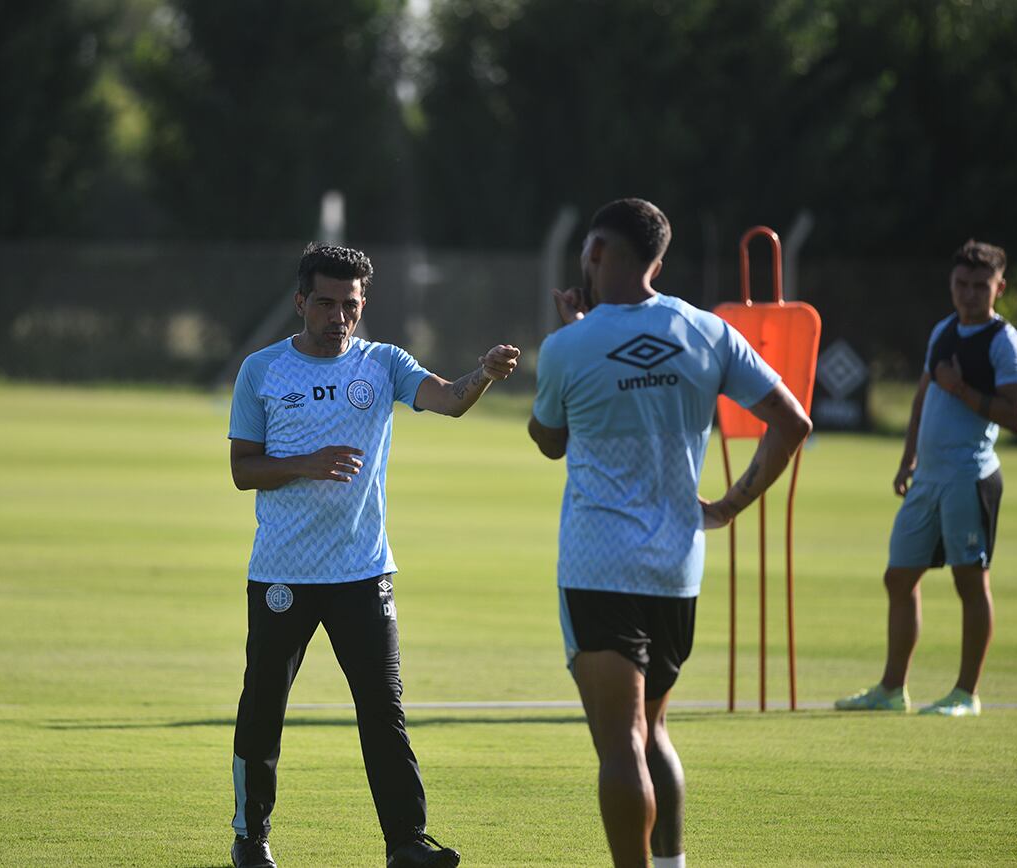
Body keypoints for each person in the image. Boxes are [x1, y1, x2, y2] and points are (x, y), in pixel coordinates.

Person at [527, 199, 812, 867]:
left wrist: (574, 336)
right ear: (658, 259)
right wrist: (732, 505)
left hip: (599, 568)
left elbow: (548, 440)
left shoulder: (569, 343)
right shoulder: (707, 331)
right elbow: (792, 423)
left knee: (620, 743)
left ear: (595, 253)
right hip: (678, 565)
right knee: (653, 730)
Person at [226, 242, 520, 868]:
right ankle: (251, 840)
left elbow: (448, 398)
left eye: (350, 305)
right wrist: (307, 464)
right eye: (326, 303)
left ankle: (406, 844)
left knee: (384, 712)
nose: (338, 316)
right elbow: (242, 469)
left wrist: (486, 373)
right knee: (263, 710)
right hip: (283, 573)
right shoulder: (262, 370)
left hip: (364, 571)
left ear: (363, 306)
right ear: (301, 302)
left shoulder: (382, 364)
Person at [836, 240, 1017, 717]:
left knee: (970, 582)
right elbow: (923, 398)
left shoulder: (1005, 344)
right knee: (898, 577)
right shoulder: (943, 331)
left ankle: (966, 693)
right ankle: (891, 689)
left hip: (969, 477)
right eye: (961, 284)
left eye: (979, 286)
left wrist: (961, 388)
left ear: (999, 288)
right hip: (928, 480)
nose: (968, 294)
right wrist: (908, 460)